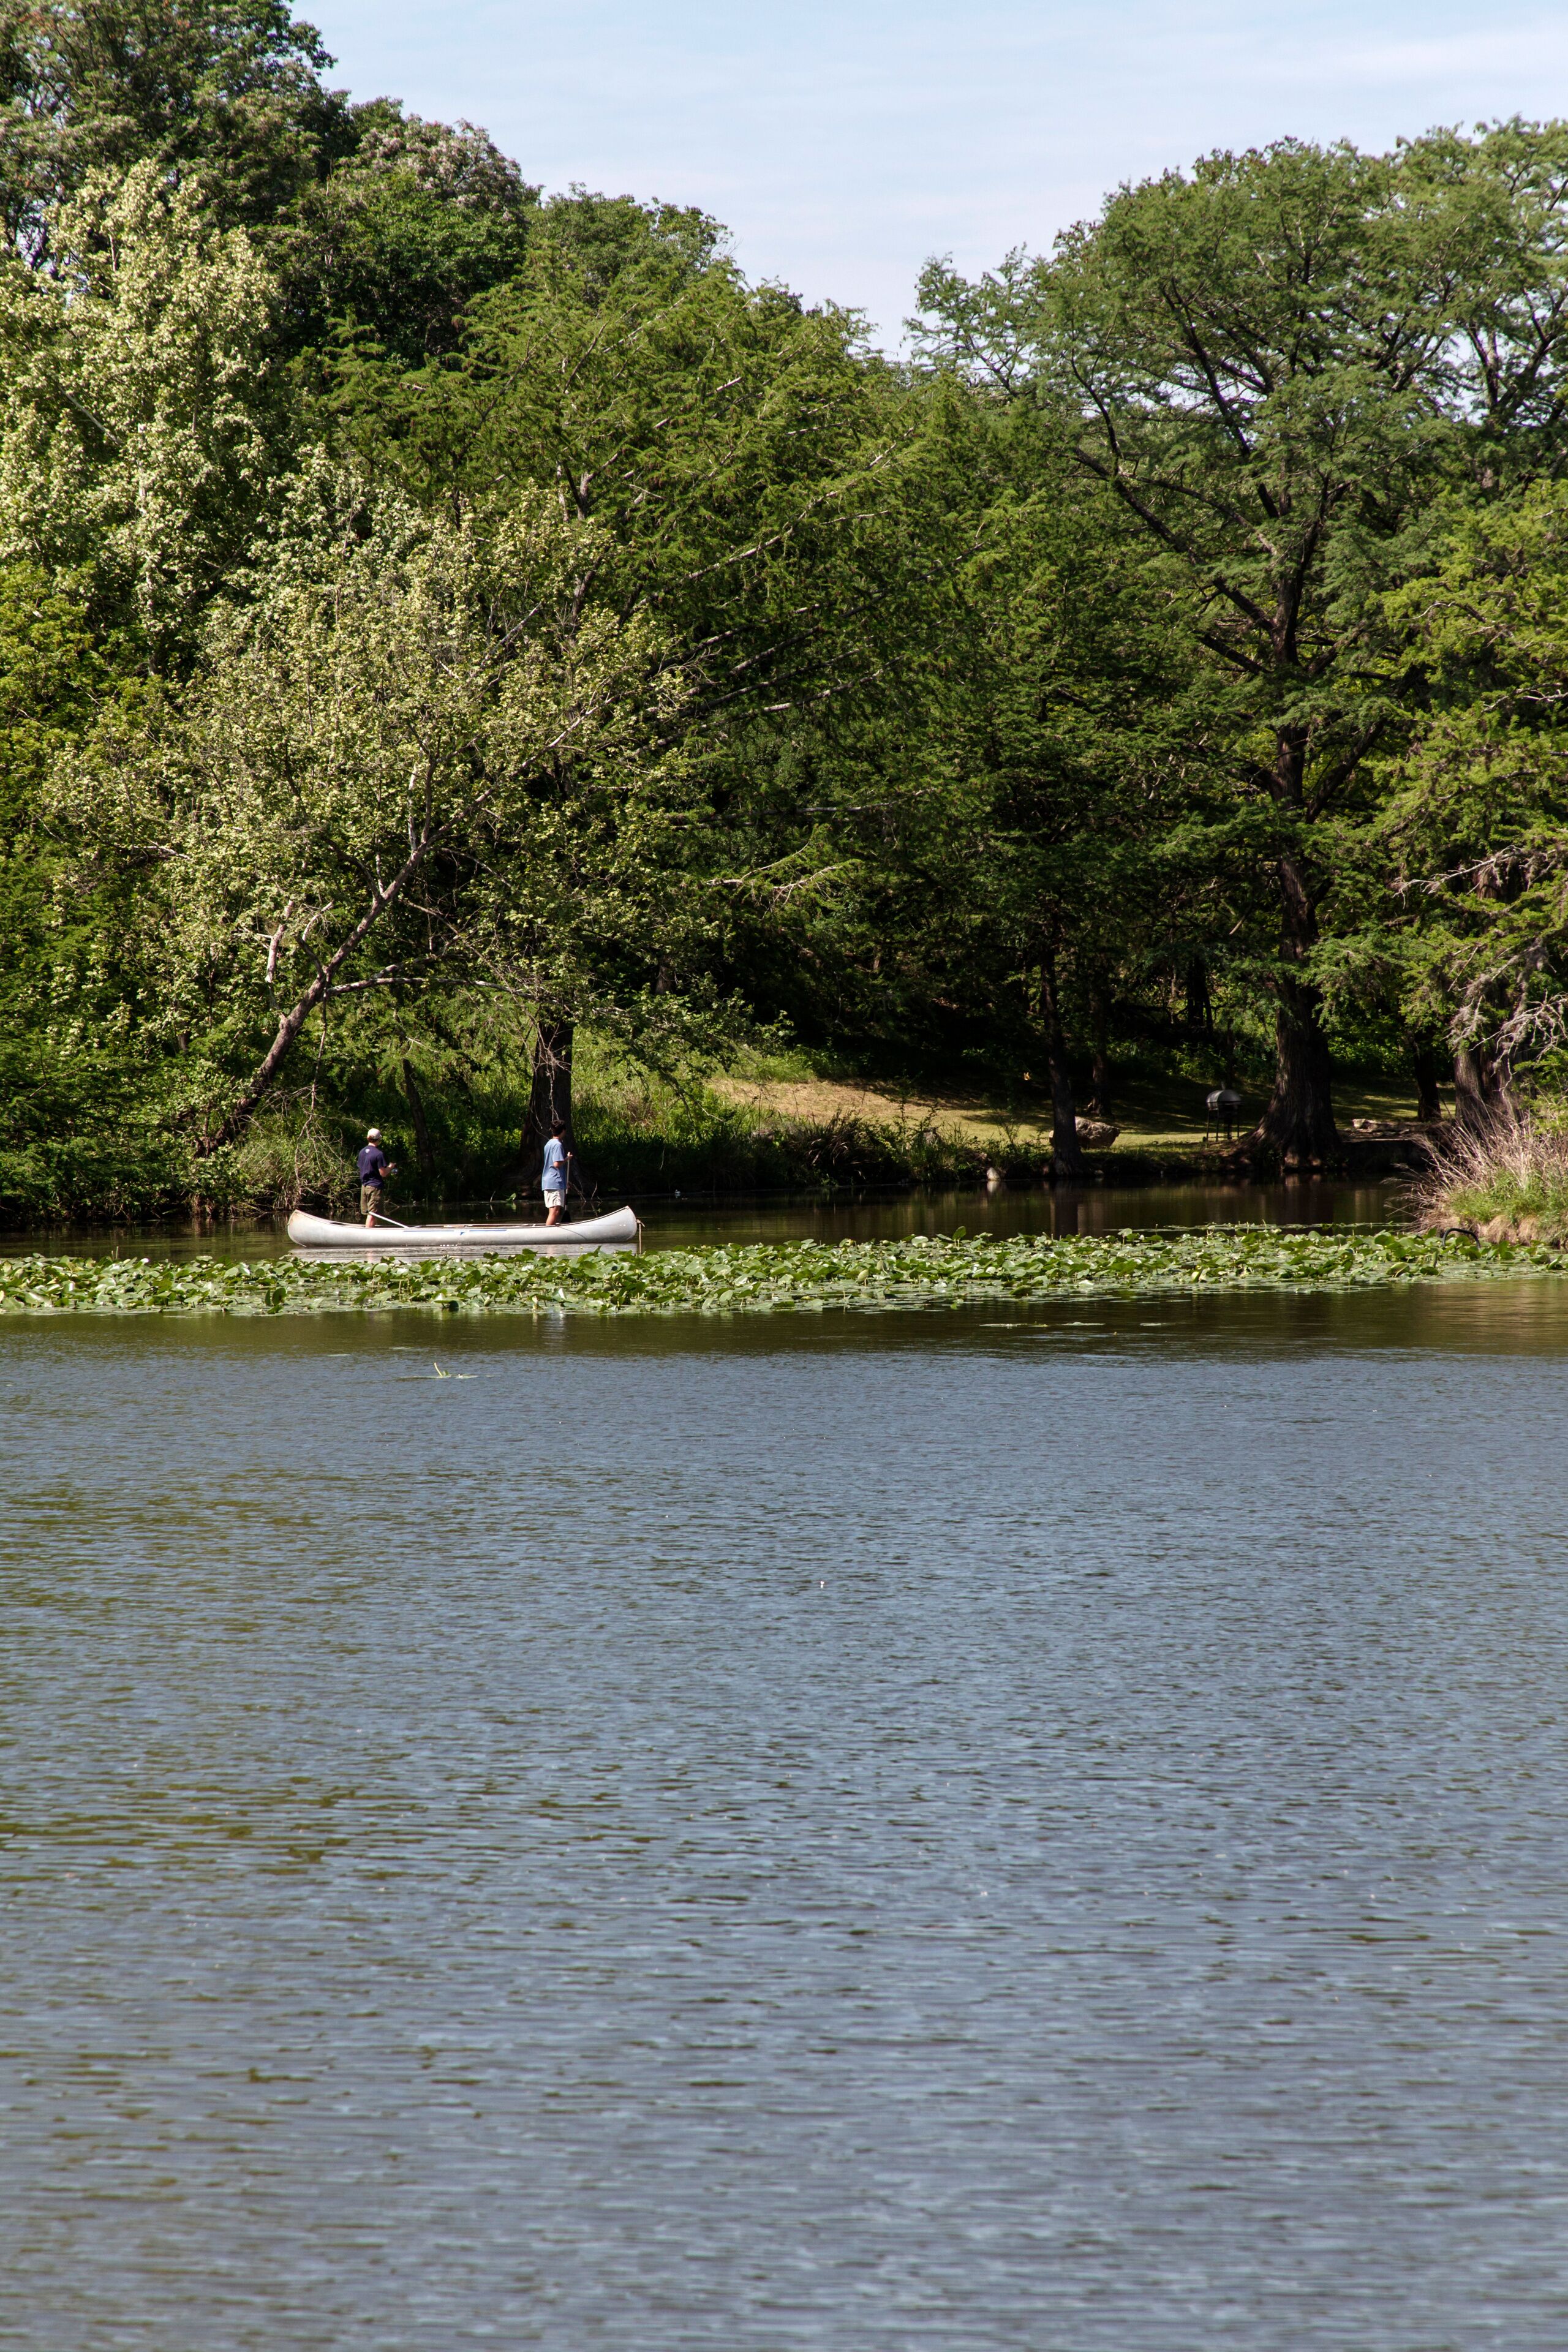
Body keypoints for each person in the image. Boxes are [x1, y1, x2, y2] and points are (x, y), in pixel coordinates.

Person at [357, 1128, 396, 1226]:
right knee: (373, 1214)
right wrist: (390, 1167)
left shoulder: (362, 1152)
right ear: (379, 1139)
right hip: (374, 1187)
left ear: (367, 1138)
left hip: (364, 1186)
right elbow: (383, 1173)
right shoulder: (379, 1154)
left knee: (370, 1214)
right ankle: (368, 1237)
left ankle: (371, 1231)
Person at [541, 1120, 573, 1227]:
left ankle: (549, 1233)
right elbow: (557, 1164)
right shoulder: (558, 1144)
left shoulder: (548, 1143)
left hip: (549, 1182)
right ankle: (548, 1234)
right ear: (563, 1131)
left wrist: (564, 1182)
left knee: (553, 1212)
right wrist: (567, 1159)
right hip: (554, 1182)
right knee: (555, 1212)